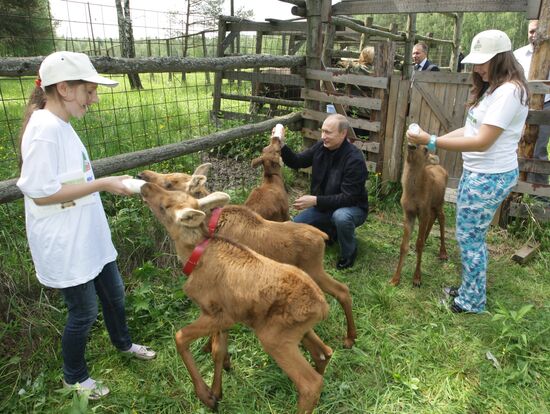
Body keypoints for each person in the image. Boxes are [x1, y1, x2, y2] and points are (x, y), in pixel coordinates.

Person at [16, 51, 156, 399]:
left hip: (86, 234)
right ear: (64, 88)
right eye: (89, 91)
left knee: (115, 295)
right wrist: (104, 183)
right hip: (65, 242)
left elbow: (70, 179)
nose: (93, 100)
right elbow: (41, 194)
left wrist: (109, 181)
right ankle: (73, 377)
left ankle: (123, 345)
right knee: (84, 311)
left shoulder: (60, 125)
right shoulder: (44, 130)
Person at [407, 30, 529, 313]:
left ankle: (471, 302)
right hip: (478, 174)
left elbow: (482, 141)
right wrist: (435, 136)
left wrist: (432, 141)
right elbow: (472, 128)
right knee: (468, 236)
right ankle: (469, 289)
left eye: (482, 62)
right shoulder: (495, 89)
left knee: (470, 239)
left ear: (500, 59)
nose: (476, 68)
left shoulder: (509, 93)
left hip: (488, 176)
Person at [278, 114, 368, 270]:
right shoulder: (321, 147)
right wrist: (282, 145)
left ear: (343, 133)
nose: (323, 136)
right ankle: (331, 232)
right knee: (293, 227)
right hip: (324, 206)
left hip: (353, 207)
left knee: (341, 217)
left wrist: (315, 201)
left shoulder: (354, 159)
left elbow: (348, 198)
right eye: (322, 131)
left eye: (328, 132)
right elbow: (297, 161)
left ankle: (348, 253)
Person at [514, 19, 550, 185]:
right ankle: (515, 187)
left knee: (539, 148)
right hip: (519, 104)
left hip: (546, 104)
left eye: (536, 31)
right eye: (531, 31)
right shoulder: (518, 54)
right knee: (515, 145)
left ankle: (538, 193)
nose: (533, 35)